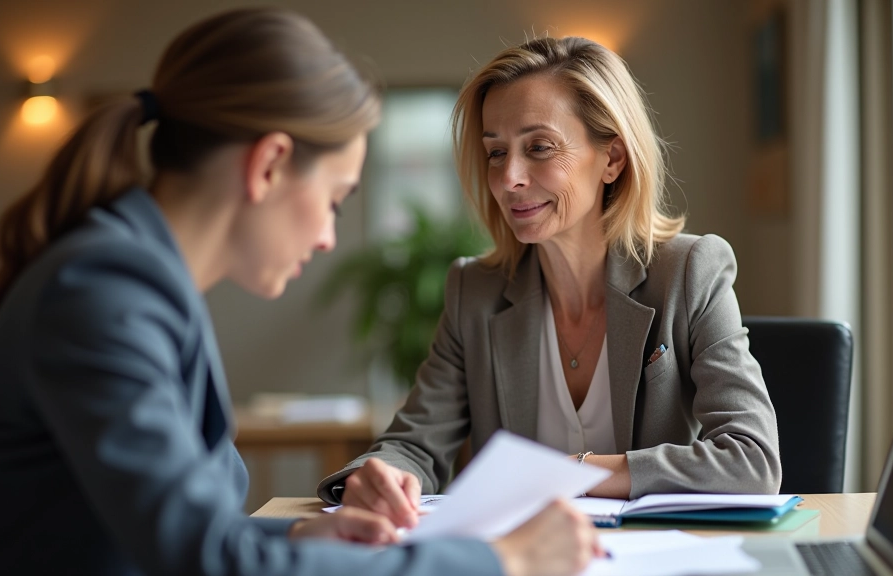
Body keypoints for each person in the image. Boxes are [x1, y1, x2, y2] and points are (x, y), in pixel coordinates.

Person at [0, 10, 601, 576]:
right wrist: (501, 561)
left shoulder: (132, 281)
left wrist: (295, 535)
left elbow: (180, 537)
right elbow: (207, 560)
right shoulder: (104, 294)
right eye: (335, 200)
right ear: (270, 165)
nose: (327, 240)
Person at [318, 36, 782, 529]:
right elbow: (414, 444)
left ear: (613, 160)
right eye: (496, 153)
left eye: (539, 147)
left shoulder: (689, 271)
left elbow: (752, 461)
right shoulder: (472, 292)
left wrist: (577, 473)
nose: (509, 178)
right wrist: (377, 479)